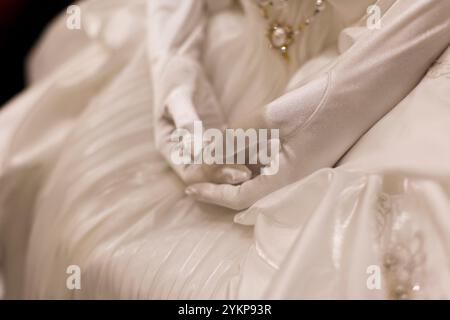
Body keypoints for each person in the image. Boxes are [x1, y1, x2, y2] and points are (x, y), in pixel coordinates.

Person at [0, 0, 449, 299]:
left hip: (393, 81)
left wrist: (331, 108)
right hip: (231, 57)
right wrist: (175, 64)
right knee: (78, 212)